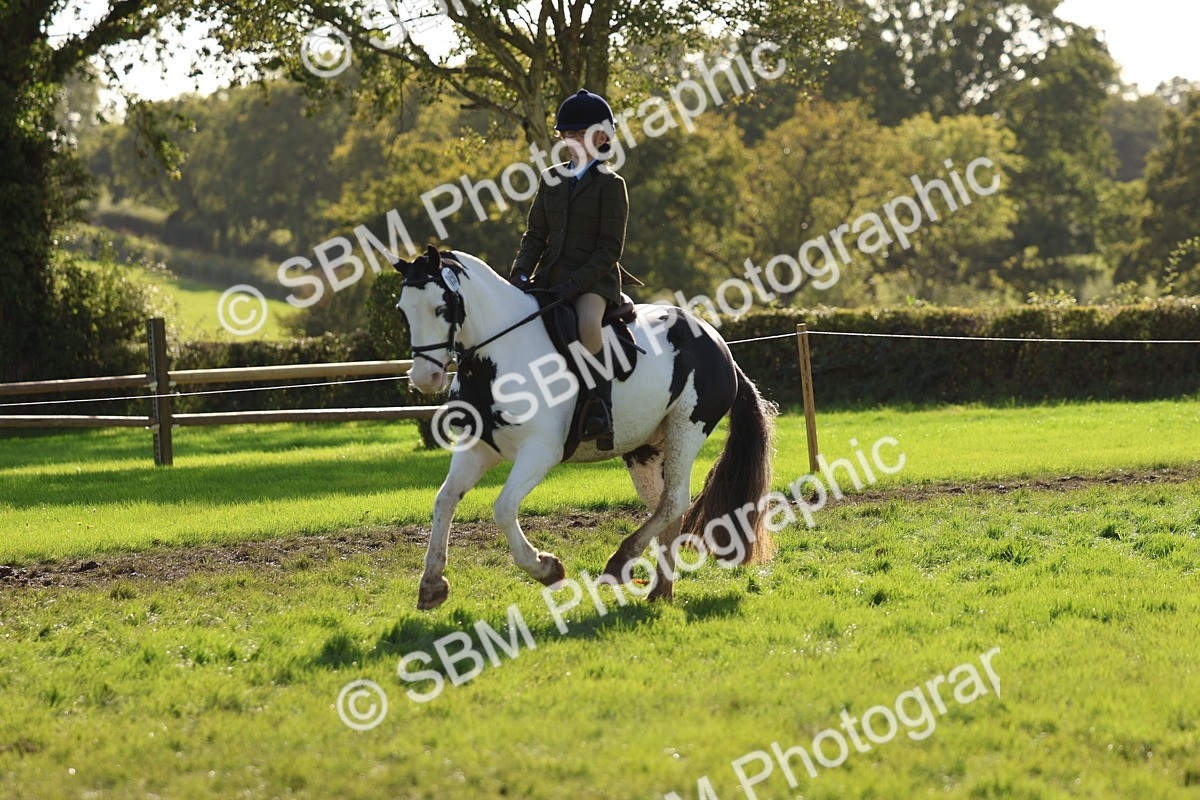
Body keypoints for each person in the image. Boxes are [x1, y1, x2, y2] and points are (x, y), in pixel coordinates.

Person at [509, 89, 642, 450]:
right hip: (551, 276)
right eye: (568, 135)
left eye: (580, 134)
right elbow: (535, 234)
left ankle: (601, 407)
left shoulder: (612, 185)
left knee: (586, 325)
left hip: (594, 282)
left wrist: (576, 282)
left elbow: (609, 249)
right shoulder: (551, 177)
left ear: (601, 136)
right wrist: (520, 272)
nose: (573, 142)